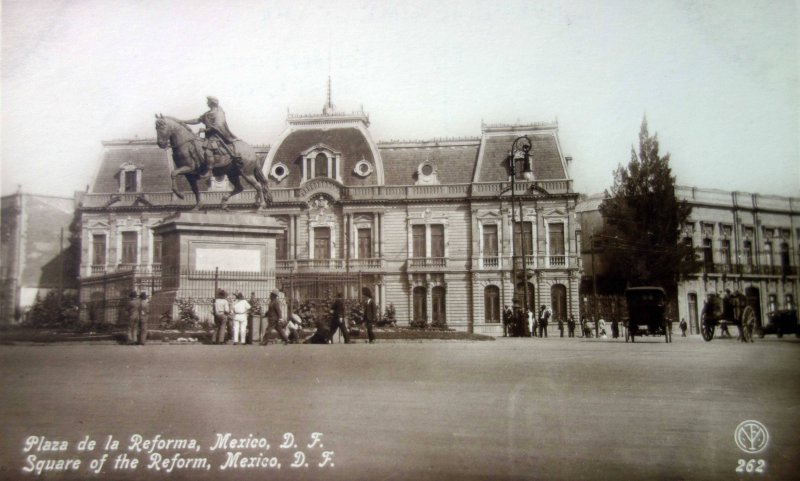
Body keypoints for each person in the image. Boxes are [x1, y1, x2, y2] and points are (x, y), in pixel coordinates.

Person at [181, 96, 241, 176]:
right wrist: (184, 122)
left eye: (208, 101)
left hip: (217, 136)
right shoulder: (207, 113)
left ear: (212, 102)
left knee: (208, 149)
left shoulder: (219, 113)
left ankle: (209, 170)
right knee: (195, 145)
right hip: (208, 137)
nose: (207, 103)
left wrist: (205, 130)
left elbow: (218, 126)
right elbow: (197, 120)